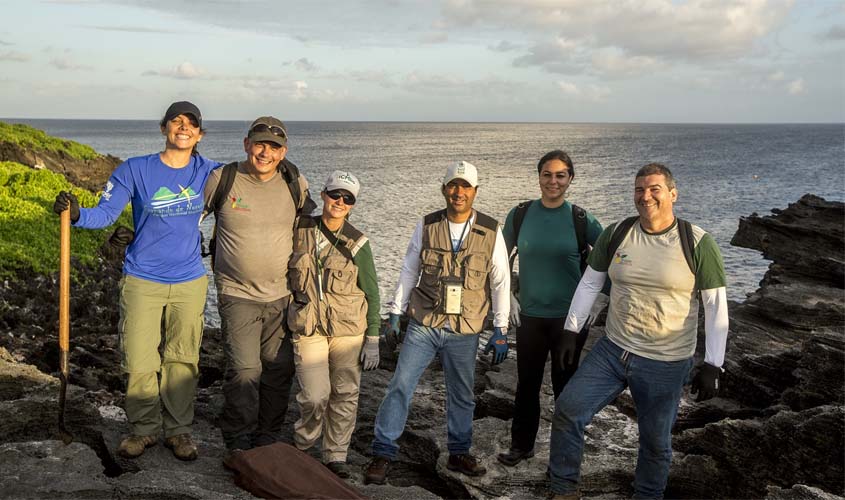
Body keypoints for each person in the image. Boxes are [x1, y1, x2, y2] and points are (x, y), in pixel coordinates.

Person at [547, 163, 728, 499]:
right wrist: (571, 331)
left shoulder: (698, 242)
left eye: (655, 189)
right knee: (569, 409)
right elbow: (590, 283)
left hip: (666, 360)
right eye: (639, 189)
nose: (646, 196)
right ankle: (562, 489)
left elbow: (716, 306)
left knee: (655, 442)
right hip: (612, 350)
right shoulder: (617, 233)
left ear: (672, 194)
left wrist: (714, 364)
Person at [53, 101, 221, 461]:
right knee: (140, 358)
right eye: (176, 121)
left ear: (199, 135)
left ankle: (178, 432)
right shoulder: (134, 170)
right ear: (163, 129)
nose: (183, 127)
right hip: (142, 278)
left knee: (183, 359)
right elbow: (105, 213)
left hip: (190, 280)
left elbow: (252, 184)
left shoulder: (211, 171)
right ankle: (143, 430)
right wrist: (78, 213)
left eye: (191, 123)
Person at [364, 161, 510, 485]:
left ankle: (459, 452)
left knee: (462, 393)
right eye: (453, 186)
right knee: (400, 384)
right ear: (444, 189)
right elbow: (407, 269)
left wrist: (500, 330)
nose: (459, 192)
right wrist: (395, 313)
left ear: (475, 191)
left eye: (465, 187)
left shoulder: (491, 230)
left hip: (466, 328)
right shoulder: (427, 225)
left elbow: (500, 281)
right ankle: (383, 452)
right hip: (424, 323)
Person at [202, 116, 313, 453]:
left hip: (281, 294)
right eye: (260, 143)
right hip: (237, 293)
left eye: (274, 147)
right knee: (244, 370)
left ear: (284, 152)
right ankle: (238, 440)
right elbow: (187, 217)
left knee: (278, 370)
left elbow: (311, 231)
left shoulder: (296, 183)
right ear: (246, 144)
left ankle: (268, 437)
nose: (266, 152)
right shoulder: (224, 179)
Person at [498, 150, 604, 467]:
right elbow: (498, 261)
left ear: (570, 179)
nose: (553, 181)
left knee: (566, 389)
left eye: (560, 175)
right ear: (539, 176)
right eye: (547, 174)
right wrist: (507, 297)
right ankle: (522, 445)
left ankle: (565, 455)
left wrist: (602, 296)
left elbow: (612, 256)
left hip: (569, 322)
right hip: (529, 315)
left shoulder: (581, 219)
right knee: (526, 384)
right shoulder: (519, 214)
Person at [286, 170, 381, 479]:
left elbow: (372, 291)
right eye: (335, 194)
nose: (339, 202)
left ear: (353, 204)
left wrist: (374, 338)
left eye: (347, 198)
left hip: (348, 330)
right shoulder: (300, 229)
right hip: (308, 326)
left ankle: (335, 455)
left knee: (345, 393)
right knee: (315, 395)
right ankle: (303, 446)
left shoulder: (358, 243)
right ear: (324, 195)